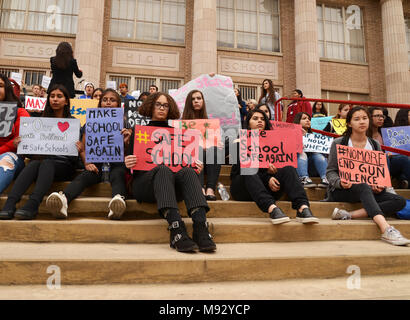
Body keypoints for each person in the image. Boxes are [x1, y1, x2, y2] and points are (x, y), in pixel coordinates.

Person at [124, 92, 216, 253]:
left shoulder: (180, 134)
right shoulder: (138, 132)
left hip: (172, 186)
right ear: (151, 106)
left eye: (165, 105)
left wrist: (196, 167)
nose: (161, 108)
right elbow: (132, 165)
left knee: (188, 171)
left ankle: (200, 227)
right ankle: (176, 229)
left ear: (170, 109)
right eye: (158, 104)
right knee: (162, 169)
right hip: (146, 186)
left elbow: (185, 162)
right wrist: (128, 163)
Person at [327, 106, 408, 246]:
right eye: (357, 119)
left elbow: (378, 172)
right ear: (349, 123)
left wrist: (380, 186)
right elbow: (330, 172)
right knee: (364, 186)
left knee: (400, 201)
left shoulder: (375, 144)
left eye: (364, 118)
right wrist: (340, 182)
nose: (362, 122)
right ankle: (386, 229)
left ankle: (349, 215)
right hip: (343, 190)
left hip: (368, 190)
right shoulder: (339, 143)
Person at [46, 89, 130, 220]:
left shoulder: (125, 124)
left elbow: (129, 152)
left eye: (112, 100)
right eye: (105, 99)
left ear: (119, 105)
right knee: (85, 176)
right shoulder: (90, 122)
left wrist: (126, 142)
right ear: (100, 103)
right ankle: (63, 200)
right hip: (95, 165)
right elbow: (84, 148)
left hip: (116, 164)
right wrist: (87, 162)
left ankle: (118, 202)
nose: (108, 102)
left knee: (118, 174)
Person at [0, 85, 80, 220]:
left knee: (46, 163)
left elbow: (73, 158)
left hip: (63, 166)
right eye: (52, 96)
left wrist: (79, 148)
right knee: (33, 164)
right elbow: (31, 153)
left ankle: (33, 204)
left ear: (66, 101)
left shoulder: (73, 123)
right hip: (41, 164)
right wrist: (23, 144)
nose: (55, 99)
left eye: (59, 96)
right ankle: (10, 203)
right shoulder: (39, 122)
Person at [230, 109, 319, 225]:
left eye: (262, 119)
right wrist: (266, 177)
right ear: (248, 122)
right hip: (243, 187)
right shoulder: (239, 141)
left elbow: (283, 160)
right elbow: (240, 168)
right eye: (255, 119)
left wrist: (298, 136)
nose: (260, 121)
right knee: (249, 169)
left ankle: (302, 207)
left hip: (271, 187)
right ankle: (272, 209)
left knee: (288, 168)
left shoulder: (274, 142)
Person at [182, 90, 222, 201]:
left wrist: (218, 144)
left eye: (199, 98)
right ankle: (199, 188)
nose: (196, 101)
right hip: (190, 154)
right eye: (193, 99)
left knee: (215, 149)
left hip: (208, 152)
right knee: (197, 148)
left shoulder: (211, 123)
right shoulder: (182, 123)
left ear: (203, 101)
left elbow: (214, 141)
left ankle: (210, 188)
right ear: (189, 103)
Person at [0, 74, 29, 195]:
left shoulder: (20, 113)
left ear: (7, 89)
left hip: (10, 158)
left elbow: (18, 143)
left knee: (7, 160)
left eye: (0, 85)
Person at [369, 107, 410, 190]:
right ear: (369, 117)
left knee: (404, 159)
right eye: (377, 116)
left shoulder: (386, 132)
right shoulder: (364, 133)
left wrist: (392, 154)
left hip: (388, 162)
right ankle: (386, 187)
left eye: (382, 116)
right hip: (372, 164)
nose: (381, 118)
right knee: (385, 157)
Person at [293, 112, 329, 188]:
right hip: (296, 167)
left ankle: (326, 178)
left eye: (309, 119)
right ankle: (303, 178)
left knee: (317, 155)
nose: (307, 120)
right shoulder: (290, 135)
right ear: (297, 121)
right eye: (304, 118)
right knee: (302, 153)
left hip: (312, 167)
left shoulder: (314, 137)